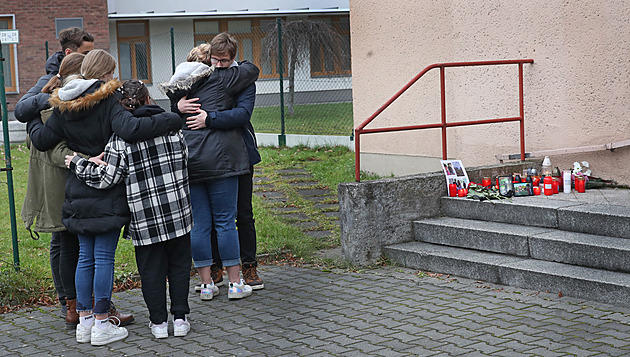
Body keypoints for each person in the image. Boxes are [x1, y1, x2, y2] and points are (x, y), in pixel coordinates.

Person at [27, 49, 182, 346]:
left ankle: (84, 323)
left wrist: (33, 117)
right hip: (106, 189)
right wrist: (173, 119)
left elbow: (42, 139)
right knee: (102, 258)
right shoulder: (108, 99)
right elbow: (131, 128)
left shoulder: (64, 103)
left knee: (85, 257)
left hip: (76, 188)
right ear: (107, 72)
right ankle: (101, 324)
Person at [64, 79, 193, 339]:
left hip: (144, 219)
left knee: (151, 272)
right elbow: (185, 159)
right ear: (148, 99)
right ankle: (180, 319)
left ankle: (158, 324)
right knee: (179, 268)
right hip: (179, 213)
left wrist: (77, 163)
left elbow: (106, 178)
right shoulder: (173, 127)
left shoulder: (120, 138)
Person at [160, 42, 259, 301]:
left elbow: (172, 114)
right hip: (222, 160)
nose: (218, 66)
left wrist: (176, 106)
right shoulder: (226, 78)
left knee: (200, 225)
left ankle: (206, 285)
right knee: (227, 221)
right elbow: (252, 69)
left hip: (190, 160)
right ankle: (236, 284)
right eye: (214, 61)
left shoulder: (180, 85)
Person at [13, 27, 94, 321]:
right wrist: (52, 97)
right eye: (85, 53)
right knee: (63, 237)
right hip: (56, 171)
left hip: (68, 168)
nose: (90, 59)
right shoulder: (49, 82)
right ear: (71, 53)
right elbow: (23, 110)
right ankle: (68, 302)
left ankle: (72, 303)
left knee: (66, 238)